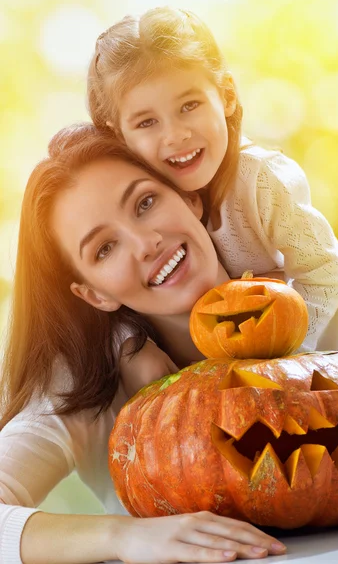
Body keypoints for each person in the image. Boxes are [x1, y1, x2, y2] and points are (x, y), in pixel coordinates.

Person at [0, 124, 288, 564]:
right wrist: (125, 537)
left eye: (145, 203)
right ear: (95, 294)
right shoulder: (87, 384)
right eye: (105, 248)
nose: (146, 243)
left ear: (190, 198)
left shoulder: (319, 292)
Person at [86, 6, 338, 383]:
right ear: (120, 136)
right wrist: (130, 345)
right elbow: (115, 300)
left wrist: (283, 350)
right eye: (147, 122)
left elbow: (325, 270)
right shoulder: (146, 204)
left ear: (227, 96)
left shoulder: (262, 180)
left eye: (190, 106)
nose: (175, 135)